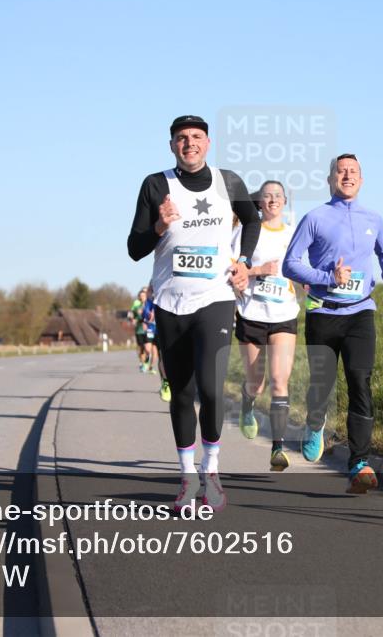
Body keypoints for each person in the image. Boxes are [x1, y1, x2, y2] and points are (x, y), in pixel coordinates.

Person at [127, 115, 261, 512]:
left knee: (211, 387)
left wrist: (245, 262)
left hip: (215, 297)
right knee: (182, 392)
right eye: (182, 138)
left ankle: (212, 473)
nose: (189, 143)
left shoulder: (228, 181)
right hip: (170, 300)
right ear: (172, 146)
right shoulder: (156, 185)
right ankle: (186, 479)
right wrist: (158, 225)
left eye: (197, 137)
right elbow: (135, 248)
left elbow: (251, 220)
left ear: (208, 143)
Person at [282, 153, 383, 493]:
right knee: (322, 385)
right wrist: (326, 277)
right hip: (322, 311)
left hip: (361, 311)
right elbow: (290, 264)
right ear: (330, 179)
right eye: (341, 171)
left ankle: (359, 462)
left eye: (353, 172)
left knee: (360, 380)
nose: (347, 176)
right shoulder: (315, 217)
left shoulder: (374, 218)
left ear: (361, 180)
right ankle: (315, 423)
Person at [232, 181, 299, 471]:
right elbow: (231, 269)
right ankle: (247, 404)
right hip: (252, 314)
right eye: (266, 196)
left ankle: (277, 448)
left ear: (285, 202)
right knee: (256, 383)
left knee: (279, 381)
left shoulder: (294, 234)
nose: (272, 200)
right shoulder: (246, 232)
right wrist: (259, 270)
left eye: (277, 196)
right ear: (259, 202)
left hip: (284, 314)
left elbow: (303, 267)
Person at [129, 288, 149, 371]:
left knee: (147, 348)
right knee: (141, 348)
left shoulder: (149, 305)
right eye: (140, 296)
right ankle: (142, 363)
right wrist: (132, 319)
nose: (142, 297)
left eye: (143, 296)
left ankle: (146, 363)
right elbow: (130, 315)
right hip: (139, 329)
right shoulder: (136, 305)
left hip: (149, 330)